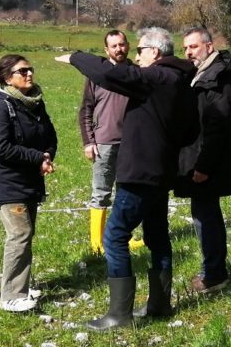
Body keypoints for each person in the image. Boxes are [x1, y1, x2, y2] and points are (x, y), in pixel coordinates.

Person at [55, 27, 199, 331]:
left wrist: (76, 57)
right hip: (161, 171)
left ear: (155, 53)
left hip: (141, 173)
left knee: (115, 236)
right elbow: (189, 131)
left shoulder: (158, 77)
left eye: (140, 51)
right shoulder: (182, 80)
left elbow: (111, 75)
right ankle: (160, 304)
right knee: (157, 236)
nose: (136, 57)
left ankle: (119, 315)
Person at [0, 54, 57, 313]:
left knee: (25, 235)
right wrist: (38, 157)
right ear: (7, 78)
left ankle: (22, 287)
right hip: (8, 183)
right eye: (22, 71)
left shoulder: (35, 103)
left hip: (30, 180)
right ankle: (11, 296)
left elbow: (49, 133)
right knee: (20, 235)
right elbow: (2, 148)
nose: (29, 74)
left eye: (31, 69)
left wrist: (47, 155)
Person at [175, 27, 231, 294]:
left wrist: (203, 166)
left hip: (207, 161)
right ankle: (213, 270)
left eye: (193, 47)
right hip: (200, 156)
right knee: (204, 213)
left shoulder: (217, 77)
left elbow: (218, 124)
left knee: (206, 217)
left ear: (209, 47)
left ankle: (214, 274)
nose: (188, 53)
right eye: (185, 49)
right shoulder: (204, 72)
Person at [78, 30, 131, 254]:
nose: (119, 49)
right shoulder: (96, 76)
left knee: (127, 192)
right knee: (101, 193)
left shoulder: (136, 73)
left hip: (132, 143)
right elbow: (85, 111)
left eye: (122, 44)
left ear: (128, 46)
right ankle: (96, 244)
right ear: (106, 50)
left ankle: (122, 238)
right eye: (114, 46)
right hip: (105, 143)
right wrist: (89, 142)